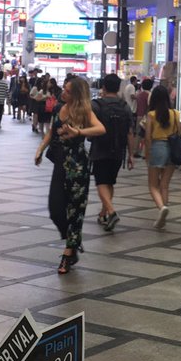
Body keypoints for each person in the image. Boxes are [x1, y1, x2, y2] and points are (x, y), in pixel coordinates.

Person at [35, 77, 106, 274]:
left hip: (78, 165)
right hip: (60, 162)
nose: (63, 93)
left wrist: (79, 132)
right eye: (64, 89)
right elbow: (51, 132)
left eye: (67, 91)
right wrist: (40, 149)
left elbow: (100, 129)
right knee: (55, 207)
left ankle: (69, 252)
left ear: (75, 94)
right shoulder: (59, 108)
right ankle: (73, 240)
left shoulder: (85, 111)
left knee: (75, 209)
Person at [90, 73, 134, 231]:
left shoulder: (96, 105)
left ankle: (111, 212)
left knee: (101, 182)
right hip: (118, 150)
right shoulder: (125, 106)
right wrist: (131, 154)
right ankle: (104, 213)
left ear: (103, 87)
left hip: (100, 148)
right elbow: (130, 132)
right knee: (109, 182)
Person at [143, 83, 180, 230]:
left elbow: (147, 137)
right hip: (172, 149)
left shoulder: (151, 115)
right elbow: (179, 132)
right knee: (164, 184)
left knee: (153, 185)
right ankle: (164, 212)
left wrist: (147, 154)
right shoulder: (175, 113)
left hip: (158, 147)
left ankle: (162, 208)